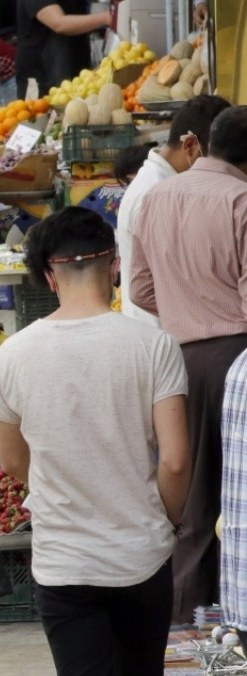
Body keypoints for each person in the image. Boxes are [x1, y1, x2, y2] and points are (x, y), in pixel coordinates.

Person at [0, 208, 190, 676]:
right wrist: (164, 519)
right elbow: (174, 460)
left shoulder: (13, 354)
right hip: (140, 554)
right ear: (116, 266)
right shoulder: (153, 345)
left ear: (49, 276)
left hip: (64, 560)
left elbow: (11, 460)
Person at [131, 106, 247, 623]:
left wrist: (185, 307)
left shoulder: (157, 196)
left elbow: (138, 289)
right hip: (237, 360)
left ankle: (186, 628)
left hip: (176, 361)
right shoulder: (241, 201)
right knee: (239, 501)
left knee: (195, 506)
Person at [117, 95, 229, 327]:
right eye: (211, 159)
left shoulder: (166, 184)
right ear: (189, 145)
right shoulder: (155, 193)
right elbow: (169, 280)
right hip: (161, 334)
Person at [15, 0, 111, 96]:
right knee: (41, 108)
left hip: (73, 69)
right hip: (41, 76)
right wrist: (106, 18)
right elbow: (59, 23)